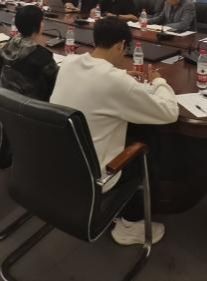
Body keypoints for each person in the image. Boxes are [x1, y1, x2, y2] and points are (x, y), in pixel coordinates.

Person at [50, 17, 178, 246]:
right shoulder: (115, 81)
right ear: (121, 45)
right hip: (93, 173)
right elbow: (169, 112)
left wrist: (122, 78)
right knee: (149, 146)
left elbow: (98, 82)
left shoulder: (70, 62)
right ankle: (129, 224)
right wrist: (159, 81)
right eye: (125, 50)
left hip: (60, 158)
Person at [0, 5, 58, 101]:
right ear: (37, 26)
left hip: (5, 101)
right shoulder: (41, 55)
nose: (43, 24)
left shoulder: (9, 44)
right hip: (30, 106)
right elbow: (58, 80)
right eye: (42, 21)